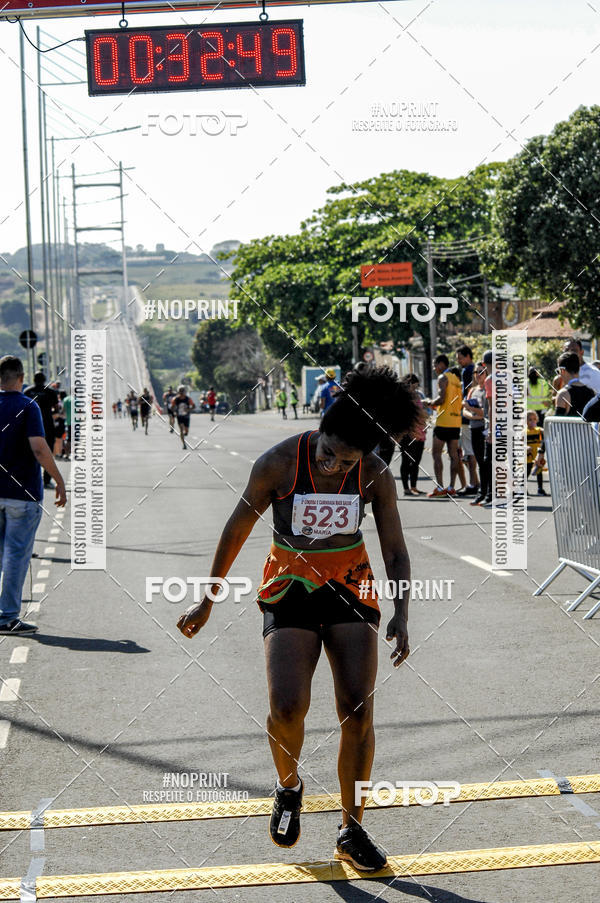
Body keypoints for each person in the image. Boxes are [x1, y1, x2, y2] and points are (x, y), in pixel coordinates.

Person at [177, 366, 422, 871]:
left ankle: (352, 830)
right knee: (287, 707)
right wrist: (208, 599)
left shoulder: (374, 474)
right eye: (328, 452)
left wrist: (401, 611)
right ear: (319, 432)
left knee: (357, 710)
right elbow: (237, 527)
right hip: (289, 585)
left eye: (346, 459)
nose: (332, 465)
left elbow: (395, 549)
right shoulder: (279, 464)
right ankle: (288, 786)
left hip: (350, 586)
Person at [0, 356, 66, 635]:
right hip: (22, 494)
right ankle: (7, 617)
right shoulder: (28, 406)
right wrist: (60, 480)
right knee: (16, 555)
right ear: (21, 377)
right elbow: (39, 448)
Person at [424, 354, 462, 497]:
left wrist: (428, 403)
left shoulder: (443, 378)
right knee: (454, 456)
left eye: (435, 364)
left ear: (441, 364)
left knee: (436, 453)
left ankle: (440, 488)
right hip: (455, 421)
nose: (434, 368)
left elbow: (441, 399)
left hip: (443, 421)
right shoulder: (457, 380)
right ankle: (452, 486)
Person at [24, 372, 58, 488]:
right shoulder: (51, 392)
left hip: (31, 426)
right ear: (44, 380)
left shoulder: (27, 392)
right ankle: (47, 480)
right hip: (47, 425)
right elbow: (56, 409)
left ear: (34, 380)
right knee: (48, 452)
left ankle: (32, 479)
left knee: (30, 452)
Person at [463, 362, 487, 506]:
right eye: (476, 372)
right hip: (474, 427)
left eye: (481, 372)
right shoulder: (472, 390)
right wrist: (472, 416)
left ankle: (488, 492)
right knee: (479, 461)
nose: (478, 375)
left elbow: (486, 413)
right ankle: (482, 492)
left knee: (486, 462)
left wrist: (475, 413)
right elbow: (464, 409)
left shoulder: (489, 390)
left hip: (485, 429)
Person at [456, 346, 478, 496]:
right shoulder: (476, 369)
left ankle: (473, 483)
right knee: (471, 451)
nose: (459, 361)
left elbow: (467, 394)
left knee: (469, 452)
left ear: (468, 356)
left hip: (468, 415)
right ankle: (475, 481)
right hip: (474, 414)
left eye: (460, 358)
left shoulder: (468, 371)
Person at [399, 374, 426, 496]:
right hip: (407, 434)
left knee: (416, 461)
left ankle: (414, 486)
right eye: (414, 385)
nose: (415, 387)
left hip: (420, 432)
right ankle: (406, 488)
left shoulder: (418, 396)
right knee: (406, 460)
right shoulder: (402, 397)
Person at [554, 353, 595, 417]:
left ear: (562, 370)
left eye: (558, 371)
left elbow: (556, 424)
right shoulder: (592, 392)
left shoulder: (563, 394)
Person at [526, 411, 547, 496]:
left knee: (539, 471)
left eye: (534, 419)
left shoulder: (538, 430)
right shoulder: (524, 431)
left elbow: (545, 431)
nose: (533, 421)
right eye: (530, 419)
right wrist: (525, 447)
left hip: (537, 454)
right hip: (528, 454)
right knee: (526, 471)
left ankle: (540, 488)